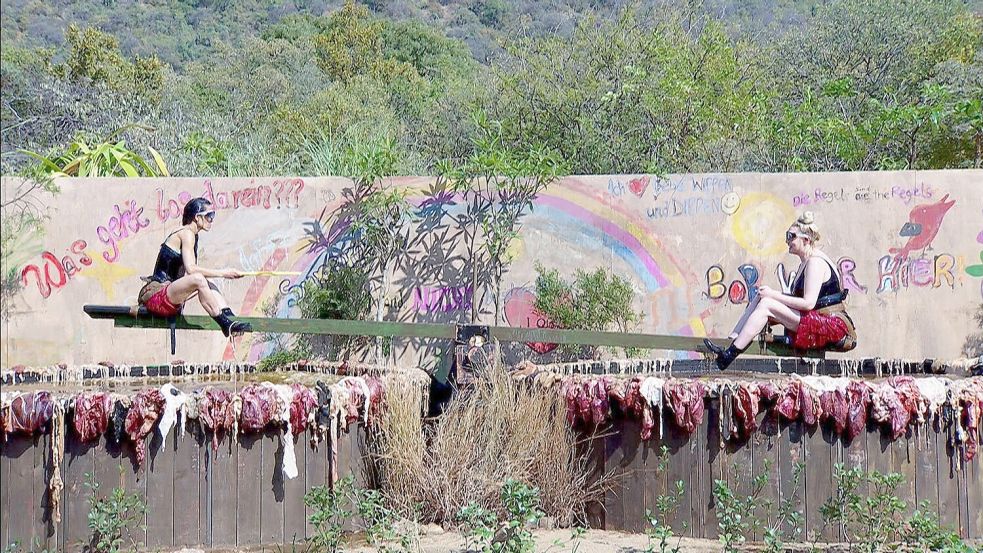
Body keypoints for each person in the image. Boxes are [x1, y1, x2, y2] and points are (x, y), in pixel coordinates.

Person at [705, 211, 851, 370]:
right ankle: (732, 340)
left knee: (767, 303)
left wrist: (773, 295)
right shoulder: (806, 262)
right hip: (817, 320)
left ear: (806, 240)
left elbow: (808, 303)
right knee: (762, 296)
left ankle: (727, 357)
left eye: (791, 236)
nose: (787, 240)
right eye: (787, 235)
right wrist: (769, 294)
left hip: (831, 326)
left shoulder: (815, 262)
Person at [138, 197, 251, 338]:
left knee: (208, 282)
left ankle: (229, 318)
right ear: (197, 217)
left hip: (168, 294)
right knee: (199, 279)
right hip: (156, 297)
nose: (212, 220)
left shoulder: (193, 236)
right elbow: (191, 269)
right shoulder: (187, 234)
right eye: (209, 216)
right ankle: (224, 324)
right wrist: (224, 273)